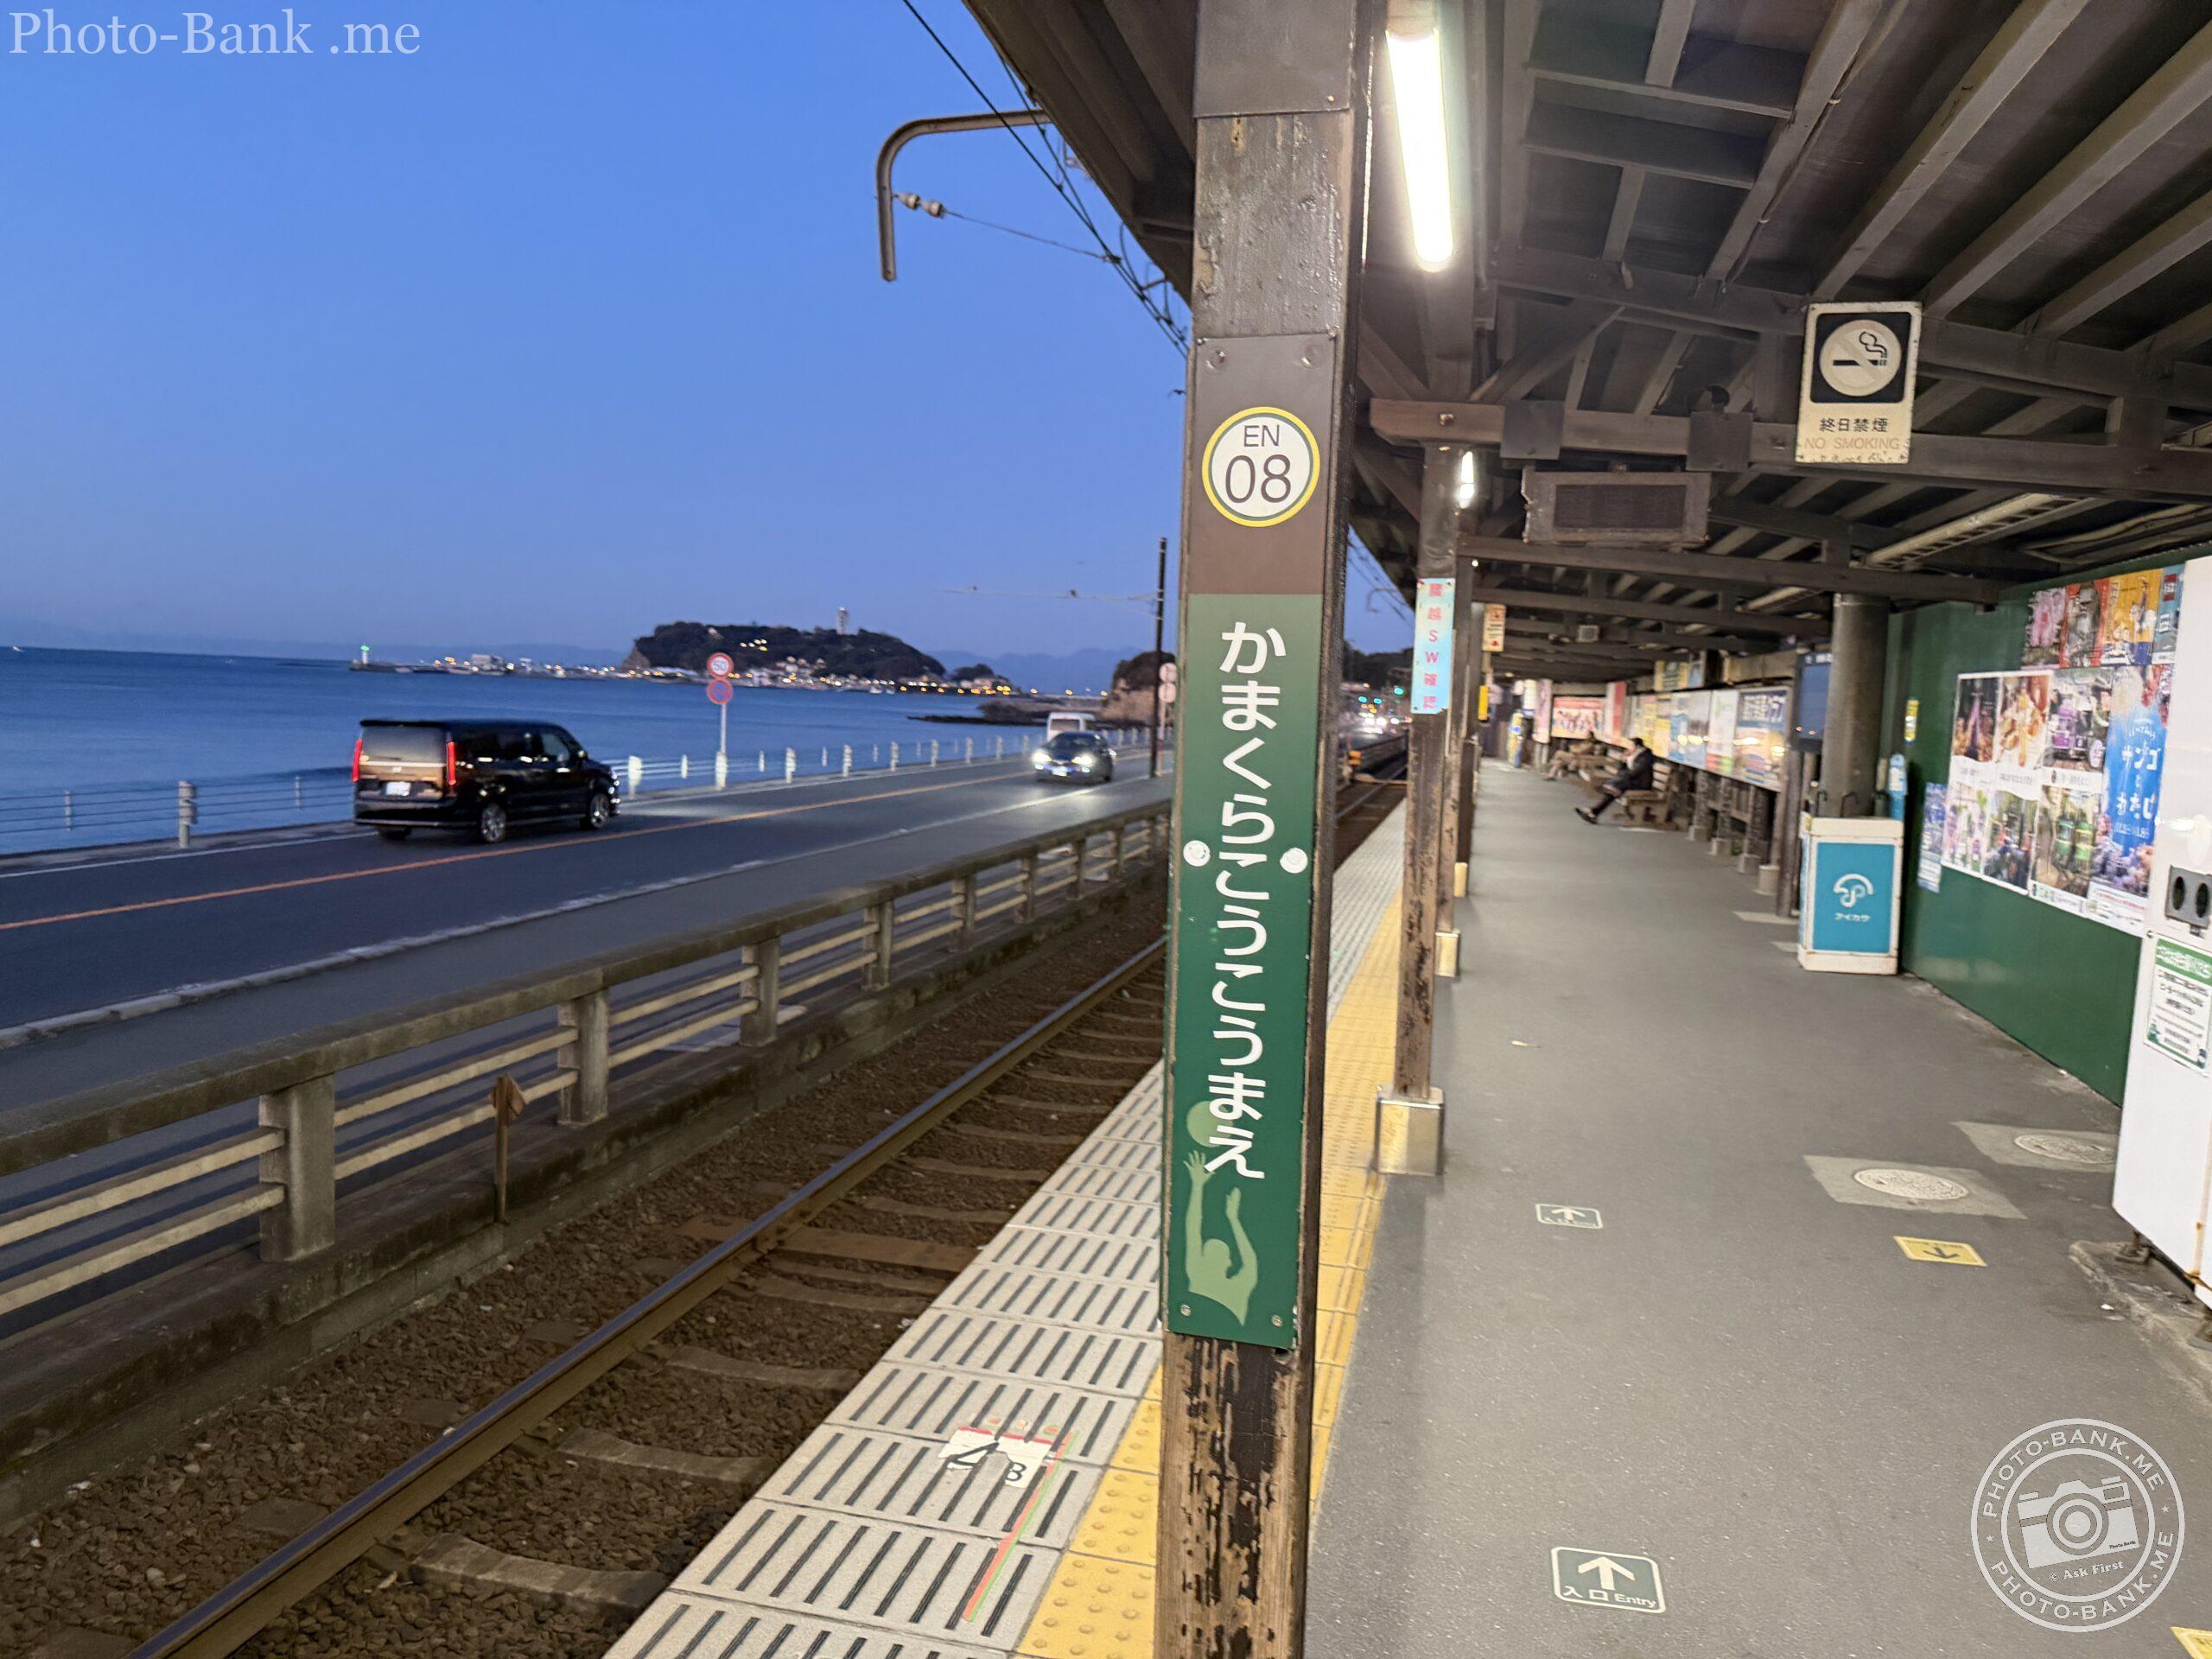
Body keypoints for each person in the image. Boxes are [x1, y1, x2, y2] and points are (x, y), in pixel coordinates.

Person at [1577, 738, 1654, 823]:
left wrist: (1628, 761)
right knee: (1614, 791)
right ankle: (1594, 812)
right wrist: (1623, 761)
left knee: (1614, 789)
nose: (1628, 747)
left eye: (1630, 745)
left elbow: (1635, 773)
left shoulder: (1645, 756)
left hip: (1641, 784)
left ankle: (1596, 808)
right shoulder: (1633, 756)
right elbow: (1623, 771)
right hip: (1631, 782)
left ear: (1638, 746)